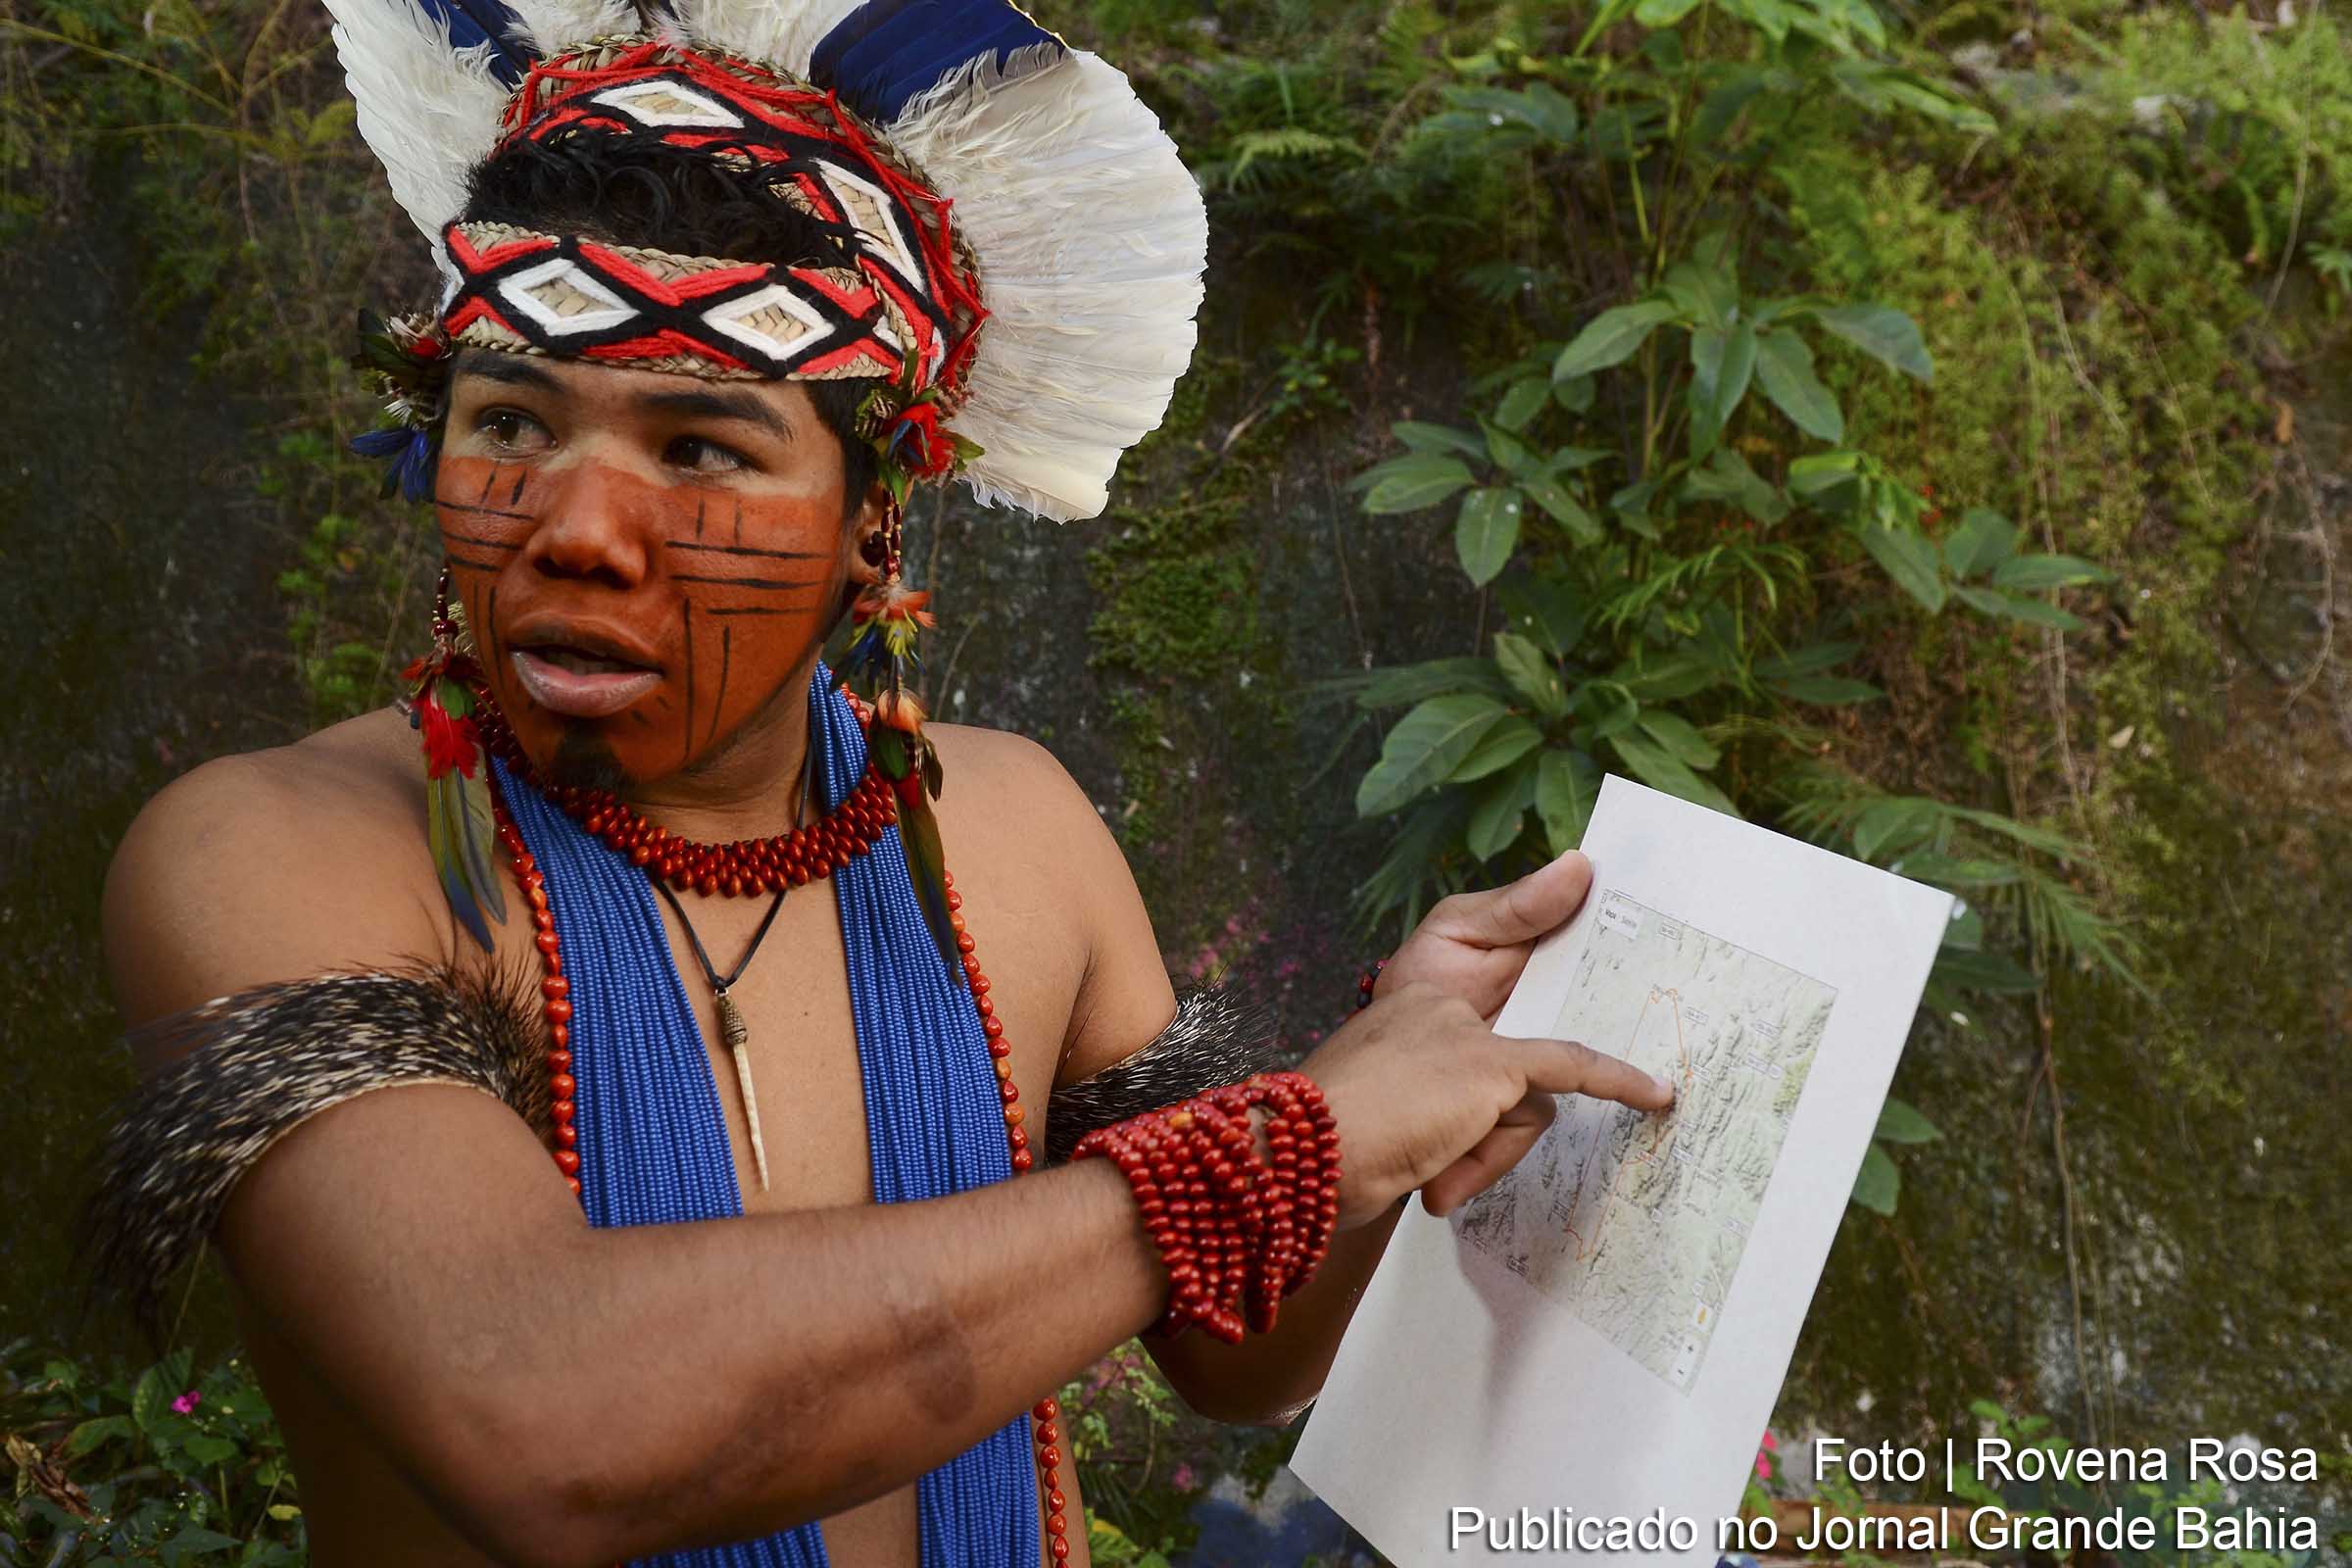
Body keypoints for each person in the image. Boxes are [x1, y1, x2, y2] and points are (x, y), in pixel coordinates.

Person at [89, 2, 1676, 1563]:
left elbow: (1241, 1357)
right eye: (510, 421)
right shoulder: (272, 857)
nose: (574, 526)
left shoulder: (1020, 832)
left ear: (872, 522)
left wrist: (1393, 1100)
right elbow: (546, 1422)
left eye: (702, 450)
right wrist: (1271, 1147)